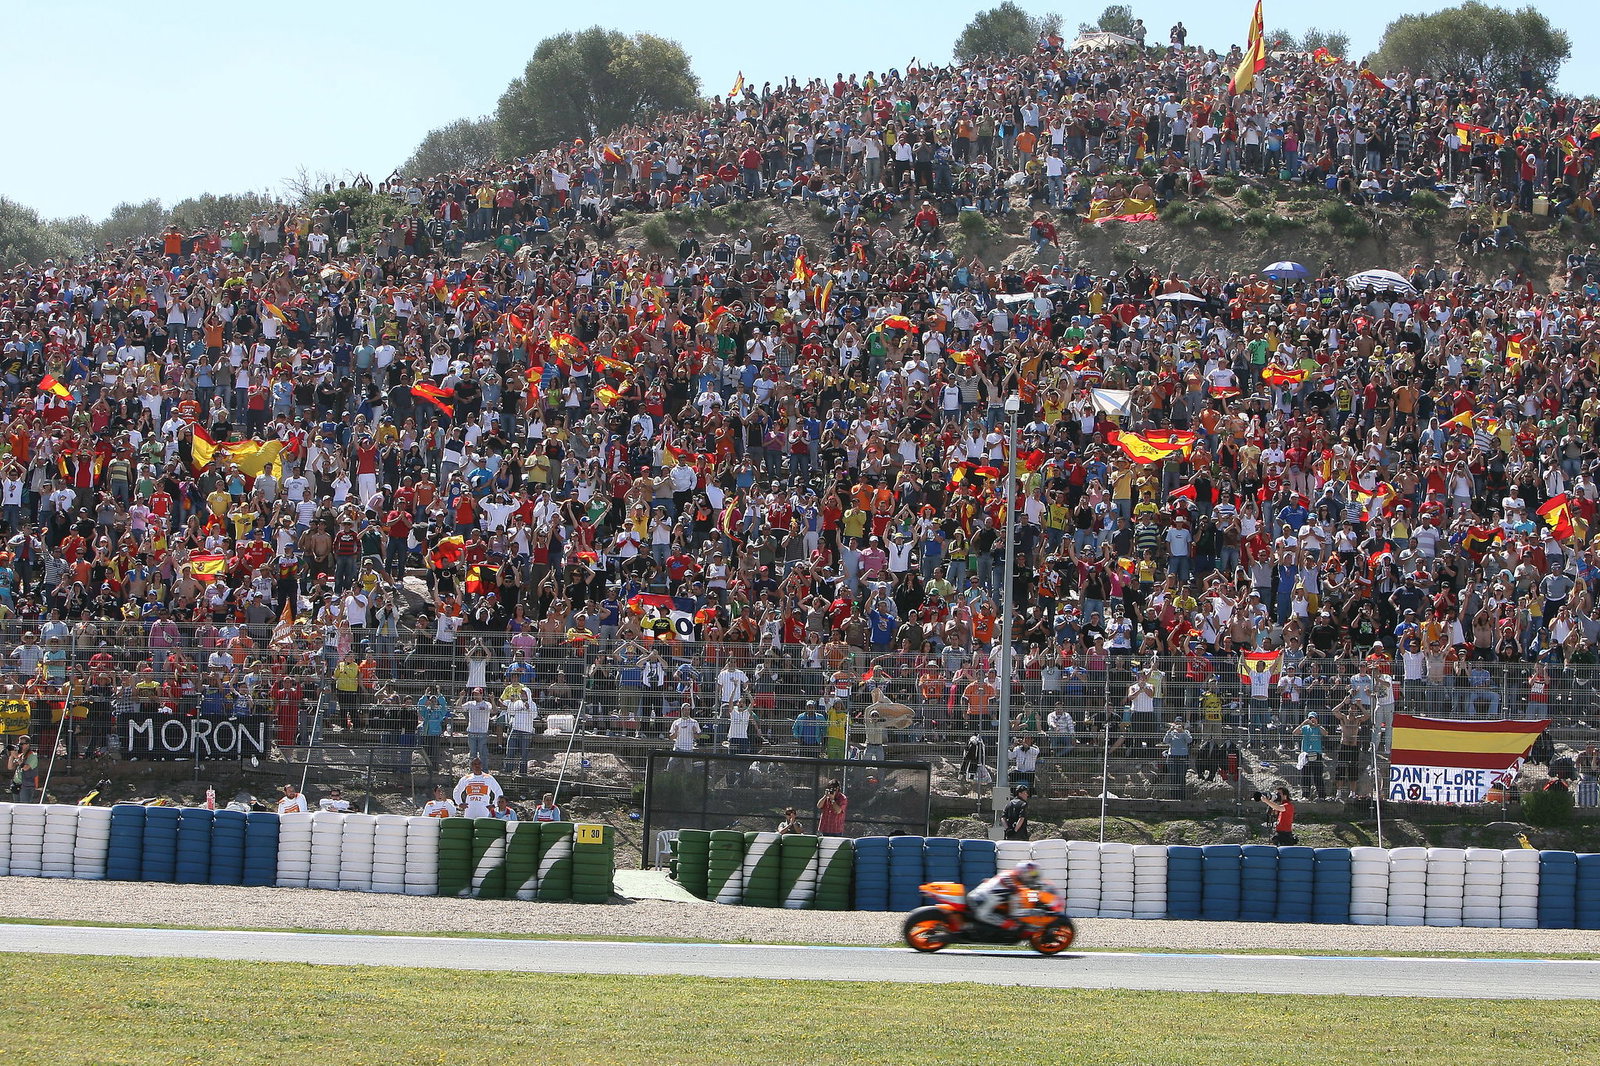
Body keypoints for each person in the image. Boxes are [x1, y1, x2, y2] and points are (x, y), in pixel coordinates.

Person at [968, 860, 1045, 929]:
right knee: (1013, 926)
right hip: (980, 906)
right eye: (1032, 874)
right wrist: (1034, 911)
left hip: (977, 897)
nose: (1034, 877)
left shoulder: (1007, 873)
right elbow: (1015, 912)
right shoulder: (1014, 887)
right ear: (1024, 873)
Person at [459, 687, 493, 766]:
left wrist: (492, 700)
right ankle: (472, 771)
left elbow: (494, 710)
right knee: (472, 754)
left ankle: (485, 771)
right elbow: (458, 708)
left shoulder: (487, 704)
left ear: (481, 694)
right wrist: (461, 697)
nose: (475, 695)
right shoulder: (470, 703)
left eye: (477, 694)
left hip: (482, 733)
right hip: (472, 732)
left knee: (483, 754)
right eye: (474, 694)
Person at [1162, 717, 1193, 800]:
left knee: (1181, 777)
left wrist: (1182, 732)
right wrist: (1170, 730)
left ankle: (1181, 797)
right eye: (1177, 722)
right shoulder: (1171, 732)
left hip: (1183, 757)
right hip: (1172, 757)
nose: (1178, 724)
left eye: (1180, 722)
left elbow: (1189, 740)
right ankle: (1173, 798)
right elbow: (1165, 740)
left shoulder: (1186, 732)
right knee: (1173, 777)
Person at [7, 736, 38, 803]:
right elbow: (10, 767)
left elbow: (25, 768)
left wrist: (16, 757)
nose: (19, 746)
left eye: (21, 744)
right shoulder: (21, 755)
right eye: (18, 744)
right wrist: (12, 755)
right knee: (16, 807)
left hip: (26, 786)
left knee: (24, 807)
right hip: (16, 784)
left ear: (27, 744)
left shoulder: (32, 756)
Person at [1577, 743, 1600, 808]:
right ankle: (1582, 803)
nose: (1589, 750)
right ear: (1586, 748)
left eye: (1591, 748)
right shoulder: (1582, 755)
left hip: (1593, 775)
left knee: (1593, 784)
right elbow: (1577, 765)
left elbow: (1594, 768)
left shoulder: (1597, 756)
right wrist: (1578, 774)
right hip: (1584, 774)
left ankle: (1593, 803)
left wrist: (1594, 757)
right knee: (1583, 782)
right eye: (1588, 748)